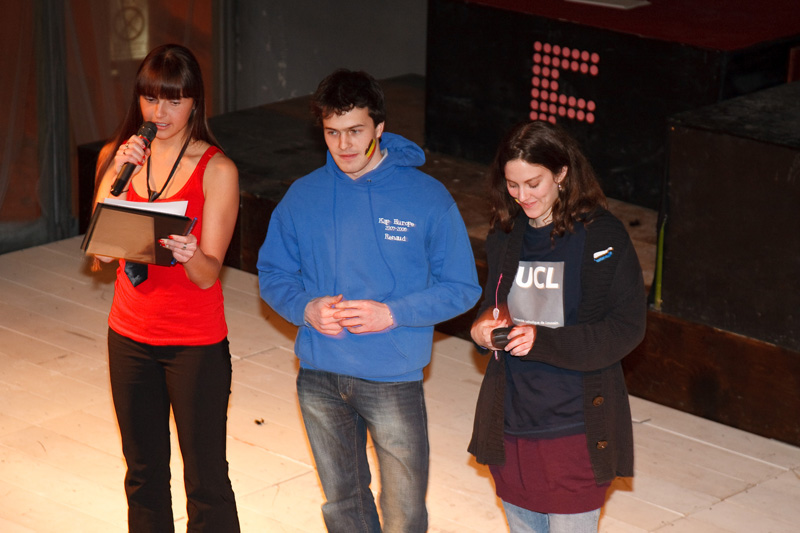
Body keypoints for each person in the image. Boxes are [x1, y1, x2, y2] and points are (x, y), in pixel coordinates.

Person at [257, 69, 481, 532]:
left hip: (392, 377)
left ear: (379, 127)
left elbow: (462, 286)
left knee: (403, 512)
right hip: (319, 373)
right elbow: (274, 273)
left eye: (355, 131)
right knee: (343, 504)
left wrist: (394, 314)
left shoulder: (427, 197)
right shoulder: (303, 196)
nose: (343, 145)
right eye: (332, 132)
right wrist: (305, 308)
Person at [468, 121, 647, 533]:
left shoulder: (600, 236)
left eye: (534, 183)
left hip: (575, 425)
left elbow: (626, 327)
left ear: (562, 172)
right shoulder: (505, 234)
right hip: (512, 422)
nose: (523, 196)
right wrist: (481, 329)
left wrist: (542, 339)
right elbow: (491, 305)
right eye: (513, 185)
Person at [92, 44, 240, 532]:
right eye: (151, 99)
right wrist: (117, 175)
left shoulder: (217, 169)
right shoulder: (118, 159)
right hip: (129, 336)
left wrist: (190, 252)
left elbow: (206, 275)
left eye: (174, 100)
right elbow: (100, 255)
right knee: (143, 476)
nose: (161, 113)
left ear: (195, 102)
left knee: (207, 482)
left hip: (194, 343)